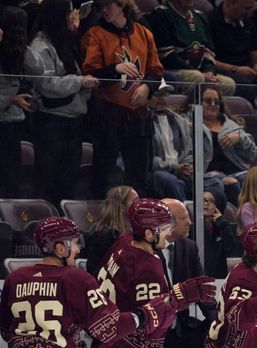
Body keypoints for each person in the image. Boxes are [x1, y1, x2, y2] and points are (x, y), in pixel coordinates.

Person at [0, 217, 176, 348]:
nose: (78, 250)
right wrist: (144, 314)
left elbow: (5, 329)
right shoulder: (77, 279)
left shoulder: (15, 278)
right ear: (61, 248)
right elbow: (109, 328)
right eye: (75, 243)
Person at [94, 198, 216, 348]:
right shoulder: (148, 268)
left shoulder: (124, 243)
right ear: (149, 234)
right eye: (165, 227)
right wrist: (178, 299)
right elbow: (151, 323)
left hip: (109, 345)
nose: (169, 231)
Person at [82, 0, 164, 198]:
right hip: (107, 113)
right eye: (100, 7)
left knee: (138, 175)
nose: (103, 10)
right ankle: (103, 223)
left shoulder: (144, 34)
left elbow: (156, 71)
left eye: (108, 5)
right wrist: (115, 69)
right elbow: (91, 74)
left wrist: (147, 86)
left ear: (121, 5)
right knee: (103, 174)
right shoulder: (95, 34)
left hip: (138, 114)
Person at [24, 0, 98, 206]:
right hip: (50, 123)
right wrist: (80, 82)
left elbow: (75, 72)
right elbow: (47, 85)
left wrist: (83, 86)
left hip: (73, 121)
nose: (74, 17)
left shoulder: (64, 42)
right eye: (69, 13)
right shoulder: (39, 46)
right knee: (49, 182)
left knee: (69, 181)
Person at [159, 198, 218, 348]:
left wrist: (218, 324)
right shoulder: (144, 251)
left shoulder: (189, 247)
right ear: (169, 223)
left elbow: (204, 293)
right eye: (185, 218)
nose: (190, 222)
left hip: (180, 330)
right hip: (153, 332)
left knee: (225, 336)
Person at [146, 0, 236, 96]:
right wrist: (199, 73)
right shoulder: (161, 14)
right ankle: (184, 109)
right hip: (173, 70)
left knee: (228, 84)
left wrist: (209, 72)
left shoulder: (200, 17)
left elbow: (208, 52)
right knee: (196, 77)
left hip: (200, 71)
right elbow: (167, 55)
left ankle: (209, 108)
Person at [200, 85, 256, 201]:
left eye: (216, 102)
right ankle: (241, 217)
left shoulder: (230, 125)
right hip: (207, 174)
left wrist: (239, 138)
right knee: (231, 183)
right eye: (208, 101)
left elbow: (251, 153)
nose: (213, 105)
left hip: (236, 171)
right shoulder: (189, 125)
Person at [148, 81, 197, 201]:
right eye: (157, 95)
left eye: (164, 95)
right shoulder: (141, 121)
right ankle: (185, 216)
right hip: (156, 172)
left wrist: (188, 166)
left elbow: (189, 151)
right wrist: (174, 167)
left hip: (180, 169)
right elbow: (146, 159)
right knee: (172, 182)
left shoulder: (179, 120)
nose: (162, 99)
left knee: (214, 183)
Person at [0, 6, 30, 199]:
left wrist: (20, 45)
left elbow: (39, 70)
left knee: (11, 179)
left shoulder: (20, 53)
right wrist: (10, 99)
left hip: (12, 124)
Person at [85, 185, 138, 277]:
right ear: (121, 207)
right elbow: (94, 271)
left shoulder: (139, 232)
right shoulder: (103, 235)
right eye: (135, 201)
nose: (139, 204)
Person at [202, 190, 239, 278]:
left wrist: (222, 223)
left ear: (218, 206)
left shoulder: (223, 226)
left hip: (218, 278)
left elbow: (232, 249)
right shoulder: (193, 227)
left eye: (211, 201)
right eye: (203, 200)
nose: (206, 204)